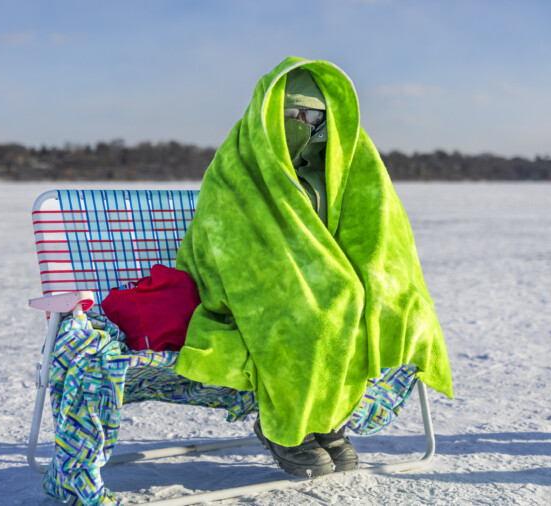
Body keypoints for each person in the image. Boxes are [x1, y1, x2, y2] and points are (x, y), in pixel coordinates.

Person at [174, 57, 453, 478]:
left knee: (385, 308)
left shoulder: (343, 165)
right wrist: (320, 286)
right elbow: (232, 247)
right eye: (295, 115)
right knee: (320, 315)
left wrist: (378, 281)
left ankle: (327, 420)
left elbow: (377, 229)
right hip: (252, 288)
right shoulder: (238, 168)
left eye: (315, 116)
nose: (306, 125)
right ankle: (288, 426)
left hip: (328, 286)